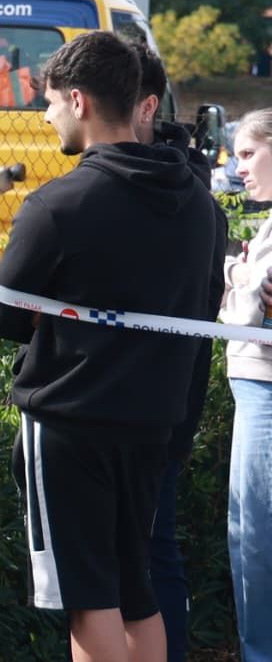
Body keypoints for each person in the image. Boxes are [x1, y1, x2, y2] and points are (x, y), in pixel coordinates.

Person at [0, 31, 221, 662]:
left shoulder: (58, 204)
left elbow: (2, 318)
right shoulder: (200, 203)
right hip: (153, 425)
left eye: (50, 100)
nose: (44, 115)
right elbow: (203, 313)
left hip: (70, 428)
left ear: (80, 100)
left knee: (91, 599)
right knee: (137, 590)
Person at [130, 41, 224, 662]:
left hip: (124, 409)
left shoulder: (147, 188)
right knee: (155, 548)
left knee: (125, 566)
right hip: (175, 399)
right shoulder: (195, 188)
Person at [224, 109, 272, 662]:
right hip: (253, 388)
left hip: (264, 390)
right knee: (247, 533)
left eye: (247, 153)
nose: (238, 168)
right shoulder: (265, 223)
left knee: (256, 539)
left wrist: (236, 277)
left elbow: (247, 312)